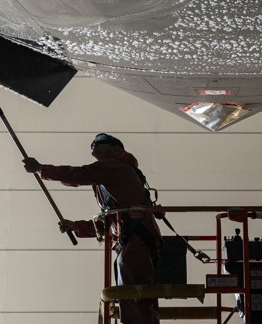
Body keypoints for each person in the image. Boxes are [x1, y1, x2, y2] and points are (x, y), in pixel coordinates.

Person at [23, 133, 160, 324]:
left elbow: (78, 174)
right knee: (132, 291)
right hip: (130, 237)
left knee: (133, 291)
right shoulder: (107, 179)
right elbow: (110, 221)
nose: (94, 145)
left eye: (100, 142)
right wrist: (78, 226)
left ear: (116, 149)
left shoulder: (114, 165)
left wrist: (42, 169)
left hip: (135, 237)